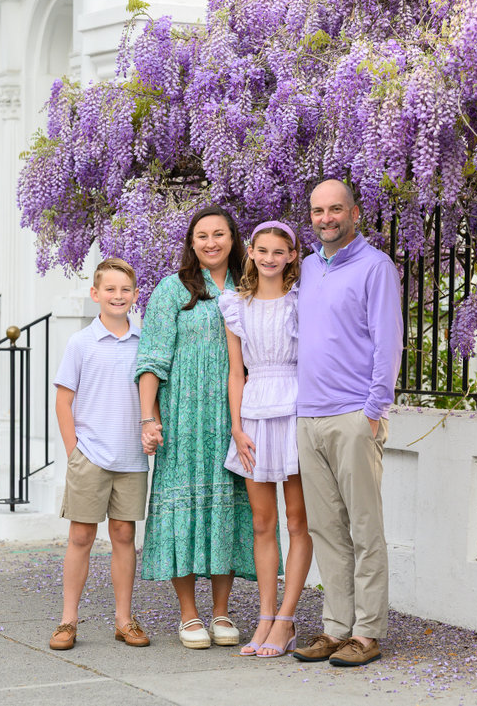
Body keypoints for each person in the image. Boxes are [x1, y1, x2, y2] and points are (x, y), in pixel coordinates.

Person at [292, 179, 403, 668]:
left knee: (364, 527)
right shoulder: (310, 267)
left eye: (335, 209)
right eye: (318, 210)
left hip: (354, 415)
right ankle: (336, 628)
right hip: (309, 415)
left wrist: (374, 411)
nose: (326, 218)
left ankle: (368, 632)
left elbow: (388, 342)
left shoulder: (376, 266)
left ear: (354, 212)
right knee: (326, 529)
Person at [136, 205, 255, 650]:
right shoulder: (172, 289)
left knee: (227, 505)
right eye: (201, 236)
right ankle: (189, 614)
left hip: (233, 415)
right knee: (183, 508)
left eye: (219, 234)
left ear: (232, 238)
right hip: (183, 416)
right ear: (191, 242)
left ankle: (222, 612)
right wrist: (149, 417)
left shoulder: (249, 286)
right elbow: (151, 358)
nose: (210, 243)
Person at [219, 221, 313, 658]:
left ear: (293, 256)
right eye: (263, 250)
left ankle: (287, 619)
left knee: (297, 520)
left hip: (294, 407)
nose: (271, 258)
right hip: (254, 412)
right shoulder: (236, 305)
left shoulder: (301, 301)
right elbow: (237, 372)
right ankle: (264, 615)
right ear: (251, 252)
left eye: (281, 251)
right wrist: (237, 428)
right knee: (263, 523)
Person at [49, 258, 150, 651]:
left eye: (125, 290)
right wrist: (75, 452)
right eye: (110, 289)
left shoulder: (144, 342)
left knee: (124, 535)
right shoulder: (81, 343)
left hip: (130, 459)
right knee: (81, 536)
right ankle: (67, 621)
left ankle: (124, 620)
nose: (118, 296)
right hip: (89, 455)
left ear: (135, 295)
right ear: (95, 294)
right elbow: (63, 401)